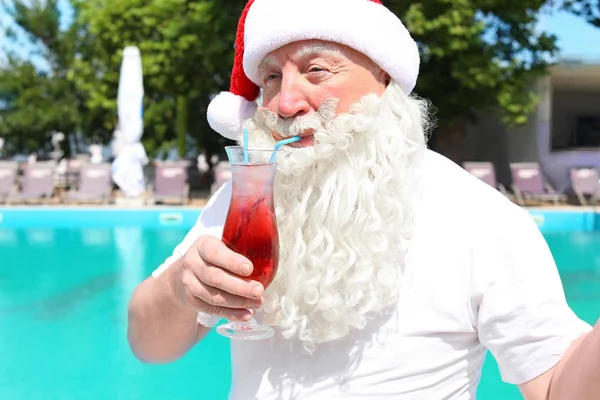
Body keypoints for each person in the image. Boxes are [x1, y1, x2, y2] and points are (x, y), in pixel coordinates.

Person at [127, 0, 599, 399]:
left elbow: (556, 383)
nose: (286, 103)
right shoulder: (247, 197)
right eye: (270, 78)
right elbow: (149, 345)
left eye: (316, 69)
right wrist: (177, 290)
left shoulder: (478, 216)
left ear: (384, 78)